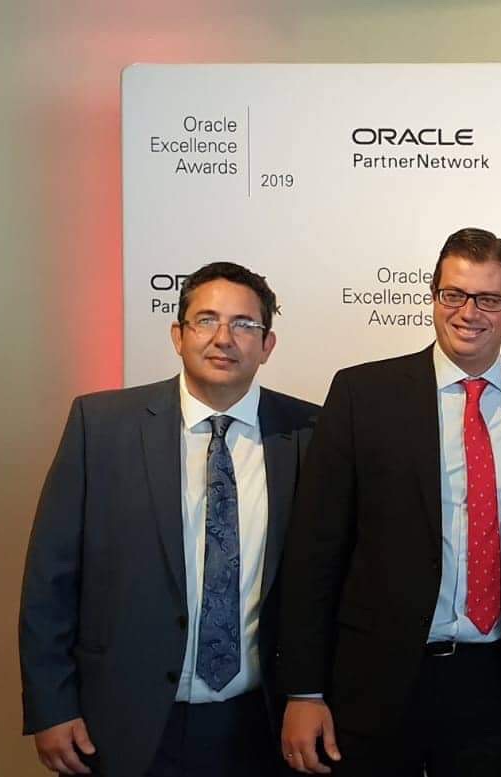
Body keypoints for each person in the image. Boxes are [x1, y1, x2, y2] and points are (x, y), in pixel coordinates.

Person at [278, 228, 501, 777]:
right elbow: (314, 551)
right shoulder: (362, 395)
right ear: (434, 296)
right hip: (376, 682)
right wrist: (303, 689)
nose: (469, 313)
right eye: (453, 294)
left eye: (488, 299)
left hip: (496, 685)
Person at [19, 262, 319, 776]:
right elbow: (51, 578)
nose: (224, 338)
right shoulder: (101, 425)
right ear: (178, 335)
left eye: (244, 325)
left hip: (261, 723)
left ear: (267, 344)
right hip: (123, 720)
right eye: (206, 320)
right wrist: (52, 705)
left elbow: (325, 580)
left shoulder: (311, 432)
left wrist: (311, 693)